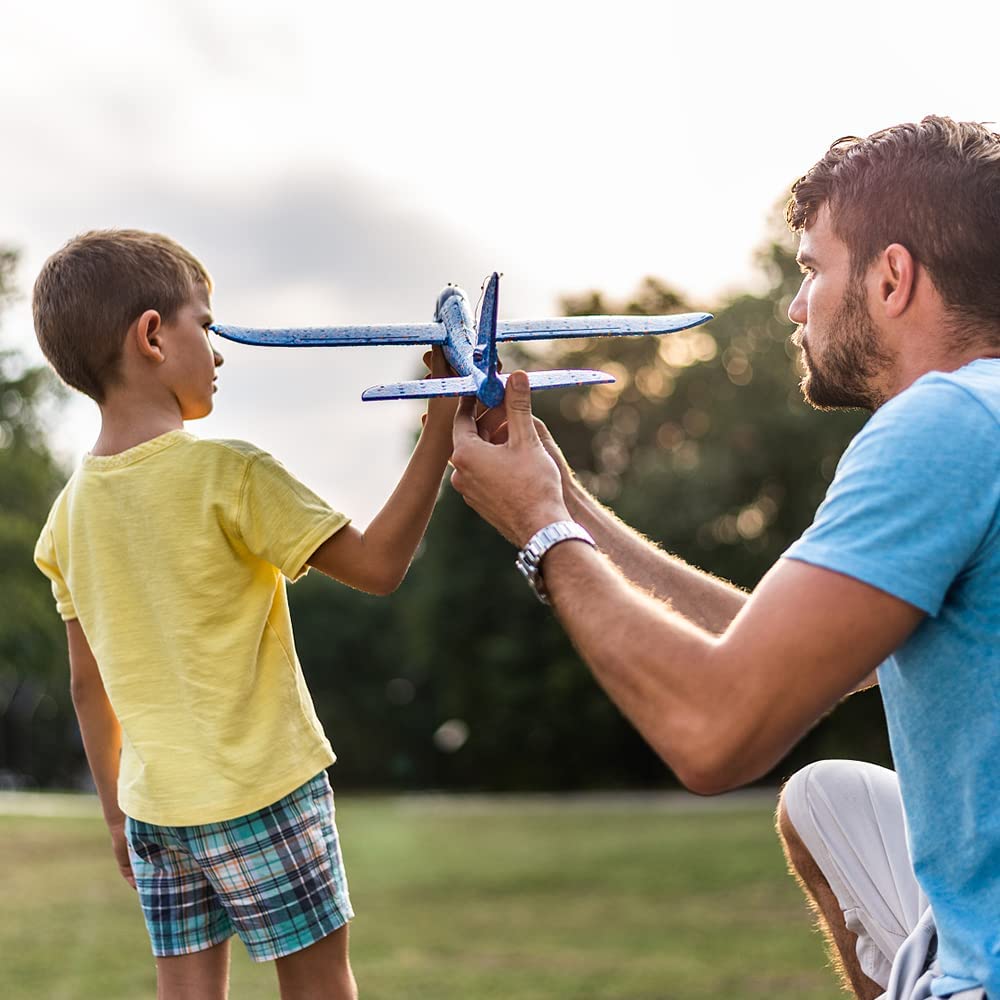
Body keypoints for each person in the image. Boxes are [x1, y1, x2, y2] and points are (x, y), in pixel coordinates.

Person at [449, 115, 999, 1000]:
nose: (794, 304)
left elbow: (715, 731)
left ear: (893, 278)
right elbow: (772, 652)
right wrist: (567, 499)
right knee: (823, 801)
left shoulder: (943, 424)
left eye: (814, 269)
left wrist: (541, 535)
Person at [31, 229, 461, 1000]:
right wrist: (441, 422)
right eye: (207, 323)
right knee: (320, 987)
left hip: (156, 810)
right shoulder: (230, 471)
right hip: (263, 788)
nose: (220, 352)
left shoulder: (66, 518)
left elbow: (86, 687)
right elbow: (380, 565)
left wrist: (115, 817)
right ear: (153, 336)